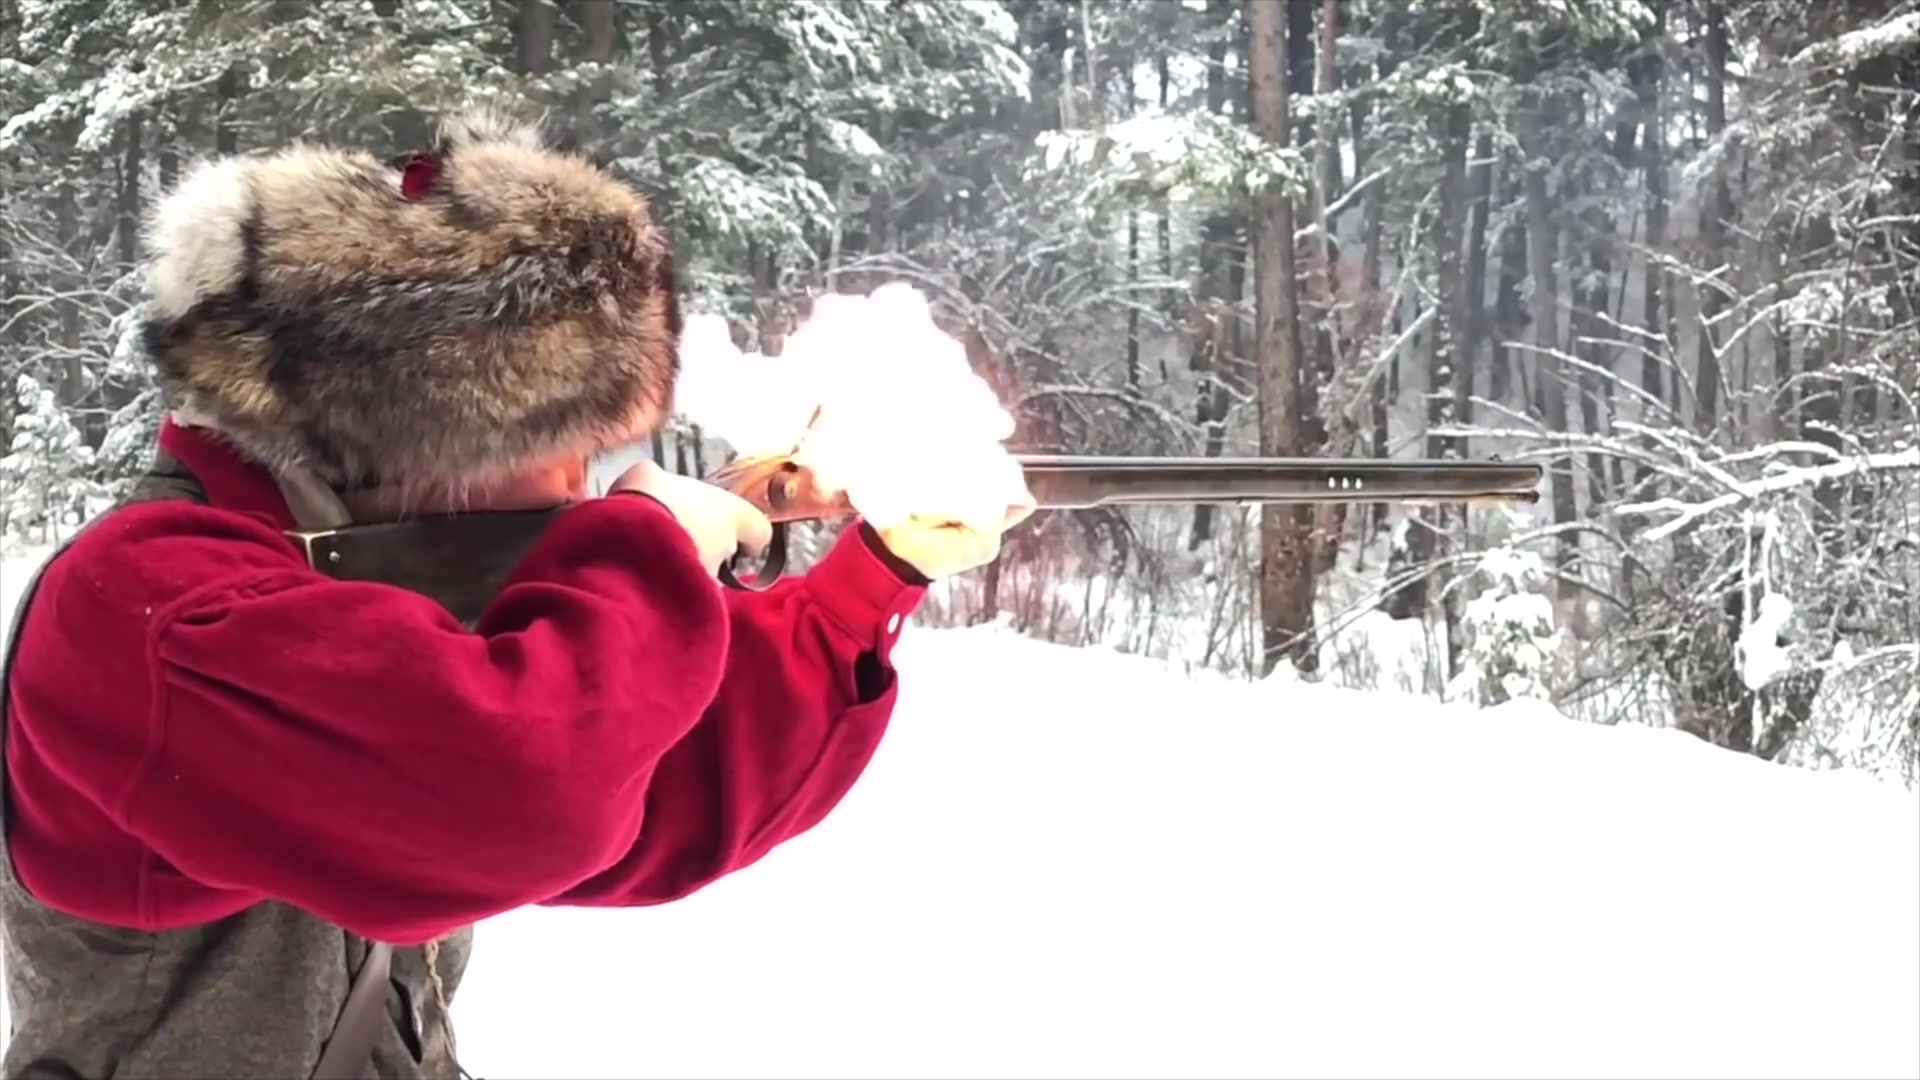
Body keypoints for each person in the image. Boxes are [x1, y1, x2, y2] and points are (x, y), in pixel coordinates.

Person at [0, 110, 1033, 1079]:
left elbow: (663, 799)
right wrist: (653, 544)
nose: (584, 483)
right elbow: (523, 789)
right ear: (432, 438)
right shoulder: (142, 600)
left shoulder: (365, 566)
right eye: (564, 447)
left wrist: (877, 573)